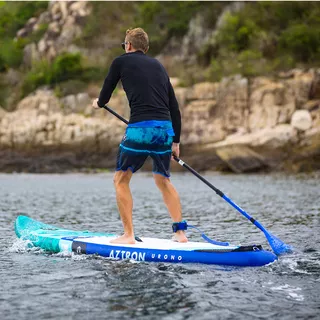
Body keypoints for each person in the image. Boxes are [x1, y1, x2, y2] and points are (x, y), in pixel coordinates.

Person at [92, 27, 188, 244]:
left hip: (139, 130)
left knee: (121, 179)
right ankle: (180, 233)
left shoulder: (120, 61)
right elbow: (174, 107)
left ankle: (128, 235)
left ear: (128, 46)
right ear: (146, 48)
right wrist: (176, 141)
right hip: (165, 131)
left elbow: (104, 96)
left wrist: (98, 103)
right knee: (163, 180)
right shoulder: (159, 66)